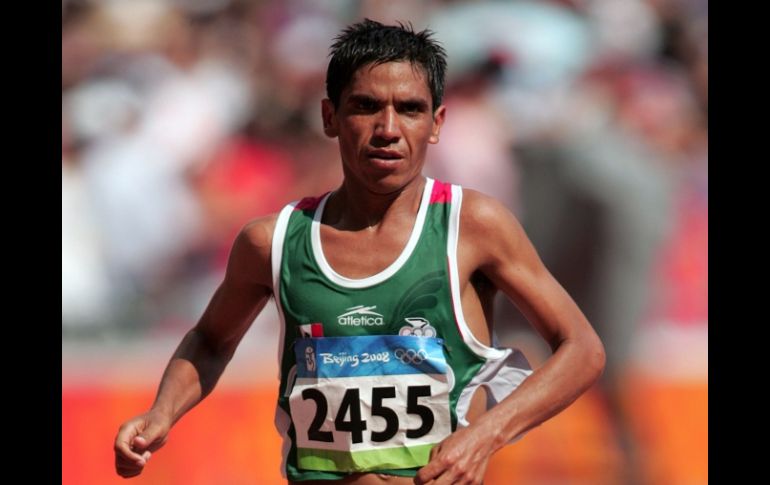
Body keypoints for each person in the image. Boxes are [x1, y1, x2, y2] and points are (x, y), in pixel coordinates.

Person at [114, 19, 605, 484]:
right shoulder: (274, 242)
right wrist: (163, 412)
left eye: (410, 109)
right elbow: (211, 340)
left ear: (436, 123)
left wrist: (485, 436)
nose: (388, 128)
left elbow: (581, 349)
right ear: (331, 116)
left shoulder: (471, 226)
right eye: (367, 106)